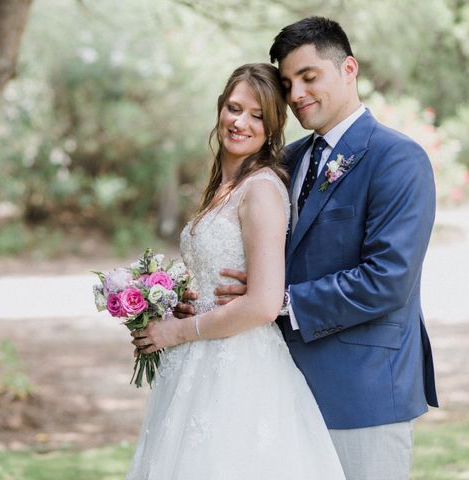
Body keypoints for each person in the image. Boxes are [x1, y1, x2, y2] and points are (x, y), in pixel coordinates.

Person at [178, 17, 438, 480]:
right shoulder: (287, 161)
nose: (296, 93)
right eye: (287, 82)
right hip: (276, 390)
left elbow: (386, 281)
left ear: (349, 69)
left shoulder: (397, 159)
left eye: (309, 77)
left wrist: (275, 300)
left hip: (362, 393)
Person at [126, 63, 345, 479]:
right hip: (198, 358)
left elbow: (263, 304)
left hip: (240, 366)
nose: (240, 122)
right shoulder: (222, 187)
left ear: (273, 127)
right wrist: (183, 302)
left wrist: (176, 331)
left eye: (257, 115)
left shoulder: (261, 189)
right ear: (220, 109)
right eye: (234, 108)